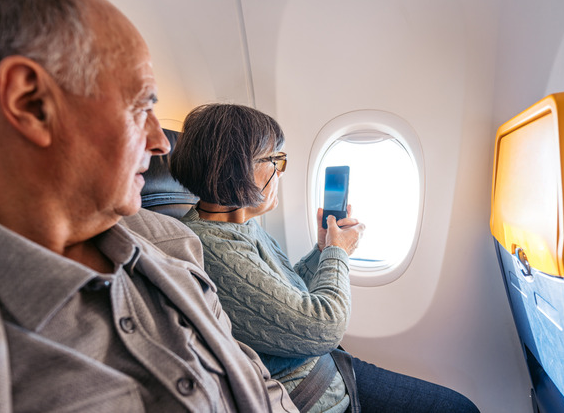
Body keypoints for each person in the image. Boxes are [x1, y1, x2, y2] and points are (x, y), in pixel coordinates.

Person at [0, 0, 297, 412]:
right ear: (32, 103)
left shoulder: (174, 244)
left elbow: (253, 379)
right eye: (141, 107)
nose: (163, 142)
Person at [170, 103, 481, 413]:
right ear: (236, 168)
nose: (280, 171)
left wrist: (321, 251)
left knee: (459, 407)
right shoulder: (210, 247)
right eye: (275, 160)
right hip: (312, 393)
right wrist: (338, 252)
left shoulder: (241, 225)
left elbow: (286, 300)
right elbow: (324, 327)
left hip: (330, 369)